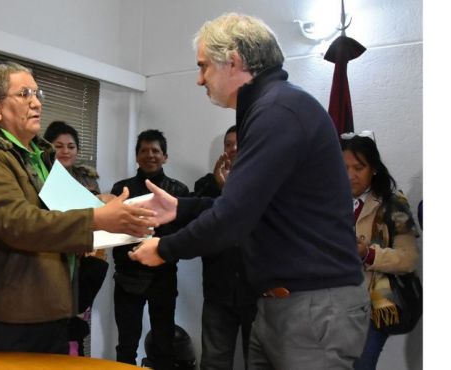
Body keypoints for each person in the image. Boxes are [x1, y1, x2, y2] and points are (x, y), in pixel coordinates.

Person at [129, 13, 370, 369]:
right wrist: (181, 208)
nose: (199, 80)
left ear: (234, 61)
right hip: (280, 305)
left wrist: (164, 248)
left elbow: (232, 218)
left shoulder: (277, 110)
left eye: (203, 66)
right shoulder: (270, 106)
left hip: (313, 308)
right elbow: (249, 204)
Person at [0, 61, 157, 354]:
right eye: (24, 94)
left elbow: (63, 211)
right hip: (7, 316)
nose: (36, 102)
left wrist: (102, 206)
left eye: (37, 93)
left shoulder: (40, 156)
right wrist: (98, 217)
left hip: (51, 309)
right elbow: (20, 224)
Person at [110, 129, 189, 370]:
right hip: (127, 279)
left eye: (156, 151)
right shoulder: (121, 189)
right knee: (126, 345)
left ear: (165, 156)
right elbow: (111, 232)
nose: (150, 155)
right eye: (144, 150)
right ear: (136, 156)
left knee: (164, 344)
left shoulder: (179, 191)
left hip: (163, 279)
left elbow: (184, 236)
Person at [341, 133, 419, 370]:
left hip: (373, 307)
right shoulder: (329, 202)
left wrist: (369, 254)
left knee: (362, 365)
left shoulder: (392, 204)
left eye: (359, 167)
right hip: (334, 305)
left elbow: (408, 259)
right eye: (344, 167)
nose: (350, 175)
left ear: (373, 169)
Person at [43, 120, 110, 356]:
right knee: (55, 325)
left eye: (71, 146)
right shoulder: (41, 178)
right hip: (53, 259)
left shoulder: (88, 180)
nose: (65, 151)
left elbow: (99, 217)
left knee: (77, 324)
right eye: (59, 146)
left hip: (87, 258)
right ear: (48, 148)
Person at [193, 125, 257, 370]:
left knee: (259, 361)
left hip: (256, 291)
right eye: (228, 144)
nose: (233, 149)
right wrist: (220, 190)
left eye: (238, 143)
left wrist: (230, 192)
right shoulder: (205, 186)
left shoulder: (264, 183)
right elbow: (198, 228)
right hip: (218, 289)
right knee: (213, 362)